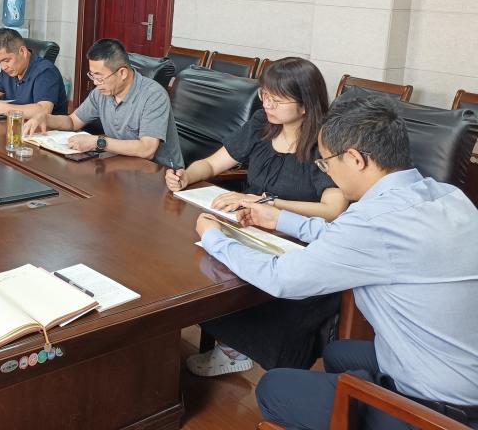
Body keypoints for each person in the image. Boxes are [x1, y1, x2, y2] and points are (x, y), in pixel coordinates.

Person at [195, 93, 478, 430]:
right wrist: (278, 219)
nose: (326, 170)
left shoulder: (373, 221)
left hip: (441, 411)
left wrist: (215, 238)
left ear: (355, 159)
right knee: (337, 354)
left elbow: (281, 278)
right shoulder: (445, 195)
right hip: (458, 368)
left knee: (274, 389)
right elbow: (353, 239)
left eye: (326, 162)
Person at [166, 57, 348, 376]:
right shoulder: (262, 123)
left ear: (305, 104)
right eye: (265, 95)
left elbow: (334, 209)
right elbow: (213, 164)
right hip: (250, 226)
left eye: (277, 99)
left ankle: (238, 350)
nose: (267, 104)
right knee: (190, 264)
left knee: (228, 278)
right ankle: (228, 344)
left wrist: (270, 203)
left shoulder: (324, 142)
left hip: (296, 242)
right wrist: (186, 175)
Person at [23, 38, 183, 167]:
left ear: (122, 73)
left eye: (100, 77)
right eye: (92, 76)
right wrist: (45, 118)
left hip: (160, 174)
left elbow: (147, 149)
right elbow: (73, 122)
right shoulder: (102, 92)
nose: (95, 83)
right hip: (122, 165)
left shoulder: (153, 95)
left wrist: (97, 142)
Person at [0, 27, 67, 118]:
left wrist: (0, 108)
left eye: (6, 60)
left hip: (46, 131)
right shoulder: (10, 70)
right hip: (17, 126)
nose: (3, 67)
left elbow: (43, 110)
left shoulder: (45, 72)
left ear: (23, 51)